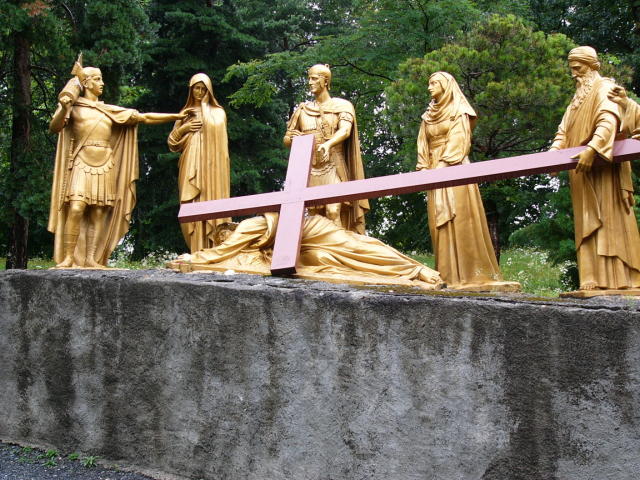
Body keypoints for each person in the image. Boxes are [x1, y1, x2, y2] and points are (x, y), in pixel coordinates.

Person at [48, 64, 185, 268]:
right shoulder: (74, 107)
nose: (102, 83)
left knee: (98, 212)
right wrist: (64, 107)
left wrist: (177, 116)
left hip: (105, 163)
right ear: (86, 82)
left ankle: (92, 259)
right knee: (76, 208)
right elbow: (55, 126)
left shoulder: (109, 111)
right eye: (97, 79)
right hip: (81, 162)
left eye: (101, 78)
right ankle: (68, 257)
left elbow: (145, 117)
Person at [550, 46, 640, 291]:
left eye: (578, 68)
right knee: (586, 222)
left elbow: (608, 121)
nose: (574, 74)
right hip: (581, 172)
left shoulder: (604, 88)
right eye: (572, 69)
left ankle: (621, 279)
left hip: (604, 168)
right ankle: (592, 276)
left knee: (609, 219)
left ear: (591, 66)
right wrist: (554, 154)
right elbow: (563, 131)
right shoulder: (576, 100)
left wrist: (593, 149)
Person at [416, 72, 516, 290]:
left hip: (454, 170)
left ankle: (471, 275)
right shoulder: (427, 116)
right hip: (434, 172)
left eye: (434, 83)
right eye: (429, 84)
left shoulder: (459, 111)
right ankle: (448, 275)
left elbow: (460, 141)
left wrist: (442, 167)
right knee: (438, 224)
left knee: (460, 219)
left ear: (446, 86)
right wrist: (424, 167)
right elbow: (422, 143)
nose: (429, 88)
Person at [170, 213, 444, 291]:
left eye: (223, 237)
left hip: (312, 230)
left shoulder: (249, 226)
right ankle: (401, 275)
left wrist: (196, 258)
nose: (224, 242)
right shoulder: (259, 246)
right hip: (306, 247)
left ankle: (417, 269)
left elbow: (227, 249)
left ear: (229, 230)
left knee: (359, 248)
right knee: (329, 261)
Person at [284, 64, 369, 234]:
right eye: (309, 78)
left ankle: (340, 246)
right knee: (314, 216)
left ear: (325, 81)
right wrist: (292, 139)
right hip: (310, 169)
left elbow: (345, 130)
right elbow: (287, 139)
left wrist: (328, 144)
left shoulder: (342, 106)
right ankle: (319, 248)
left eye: (314, 78)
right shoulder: (302, 110)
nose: (310, 82)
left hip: (333, 165)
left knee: (333, 211)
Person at [168, 73, 231, 252]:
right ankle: (195, 248)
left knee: (211, 198)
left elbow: (219, 133)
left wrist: (204, 107)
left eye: (204, 89)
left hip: (212, 166)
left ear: (209, 91)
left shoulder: (217, 112)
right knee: (190, 202)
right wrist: (184, 128)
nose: (200, 92)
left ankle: (213, 248)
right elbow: (172, 142)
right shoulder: (185, 113)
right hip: (190, 161)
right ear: (191, 89)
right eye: (197, 88)